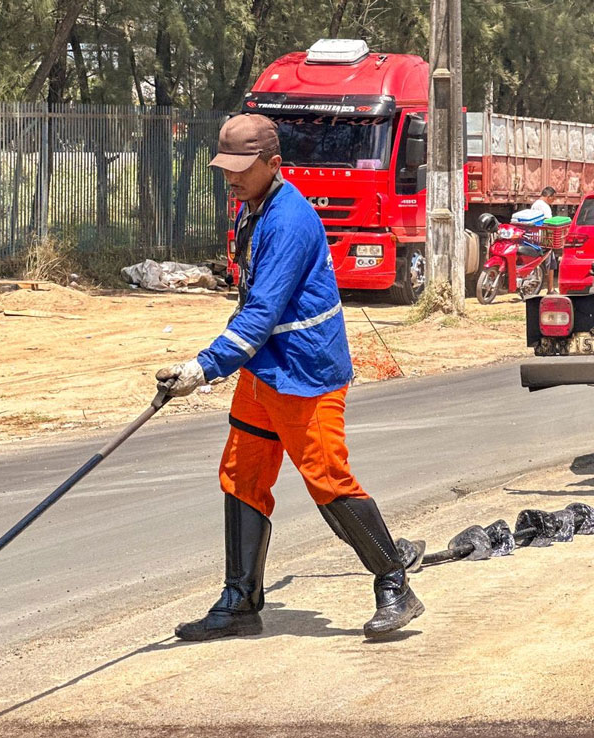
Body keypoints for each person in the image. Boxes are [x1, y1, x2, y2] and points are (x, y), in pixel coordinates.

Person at [156, 114, 423, 642]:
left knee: (327, 479)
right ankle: (241, 601)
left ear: (273, 165)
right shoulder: (250, 209)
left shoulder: (290, 221)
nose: (230, 177)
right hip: (263, 370)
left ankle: (395, 584)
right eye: (225, 167)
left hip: (306, 373)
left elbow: (260, 312)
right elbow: (250, 304)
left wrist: (202, 368)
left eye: (241, 168)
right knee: (241, 475)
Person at [529, 187, 559, 293]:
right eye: (553, 198)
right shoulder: (545, 207)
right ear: (549, 197)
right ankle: (550, 289)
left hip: (534, 237)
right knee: (551, 263)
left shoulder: (535, 205)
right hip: (544, 238)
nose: (553, 201)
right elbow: (547, 224)